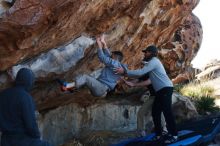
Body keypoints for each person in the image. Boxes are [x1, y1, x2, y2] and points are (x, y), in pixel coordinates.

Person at [115, 45, 178, 144]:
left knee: (167, 112)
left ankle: (174, 135)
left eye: (146, 52)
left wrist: (125, 72)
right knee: (155, 113)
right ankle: (158, 135)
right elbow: (140, 76)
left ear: (152, 53)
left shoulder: (154, 61)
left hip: (166, 89)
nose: (145, 53)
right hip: (159, 92)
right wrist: (126, 77)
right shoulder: (151, 63)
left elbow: (141, 72)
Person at [58, 34, 126, 97]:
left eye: (112, 56)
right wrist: (103, 42)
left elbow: (102, 57)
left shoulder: (115, 64)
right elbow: (108, 55)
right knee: (86, 79)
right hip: (100, 88)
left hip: (101, 88)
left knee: (85, 77)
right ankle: (71, 88)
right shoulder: (117, 64)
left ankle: (67, 86)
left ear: (115, 58)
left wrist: (99, 43)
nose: (110, 56)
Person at [0, 68, 52, 146]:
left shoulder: (3, 95)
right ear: (29, 82)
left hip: (5, 140)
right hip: (21, 140)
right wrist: (37, 137)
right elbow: (31, 125)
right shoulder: (25, 97)